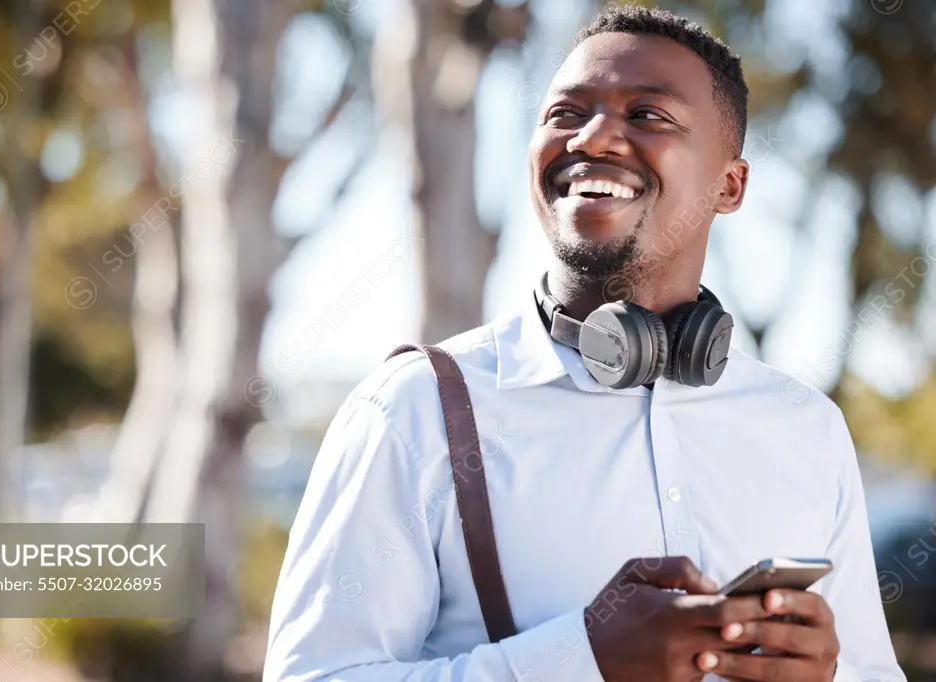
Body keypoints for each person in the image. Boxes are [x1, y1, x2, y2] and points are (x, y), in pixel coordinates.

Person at [263, 5, 906, 681]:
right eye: (566, 113)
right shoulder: (413, 411)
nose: (593, 138)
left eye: (647, 115)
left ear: (730, 185)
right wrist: (582, 659)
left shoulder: (806, 429)